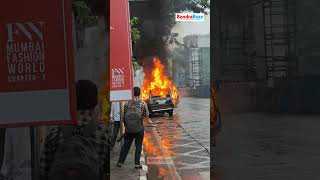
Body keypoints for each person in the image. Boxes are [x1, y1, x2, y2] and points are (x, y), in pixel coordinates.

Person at [40, 80, 110, 180]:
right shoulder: (104, 133)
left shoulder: (55, 131)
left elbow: (43, 171)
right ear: (95, 102)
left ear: (71, 100)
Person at [117, 87, 149, 169]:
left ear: (132, 94)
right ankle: (137, 164)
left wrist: (127, 126)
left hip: (129, 130)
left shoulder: (127, 103)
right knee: (138, 146)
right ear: (139, 94)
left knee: (126, 146)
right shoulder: (142, 103)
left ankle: (120, 162)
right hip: (139, 128)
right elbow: (147, 115)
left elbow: (123, 117)